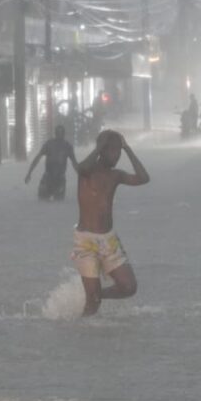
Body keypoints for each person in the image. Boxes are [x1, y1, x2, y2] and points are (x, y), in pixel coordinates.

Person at [73, 130, 150, 316]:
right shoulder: (87, 172)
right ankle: (83, 325)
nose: (117, 156)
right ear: (102, 150)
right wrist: (99, 146)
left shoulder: (115, 175)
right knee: (93, 305)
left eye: (119, 151)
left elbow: (143, 178)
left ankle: (96, 294)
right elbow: (80, 168)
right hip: (85, 241)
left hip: (109, 240)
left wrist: (127, 148)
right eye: (113, 151)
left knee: (128, 287)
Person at [25, 126, 79, 201]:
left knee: (58, 203)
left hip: (59, 178)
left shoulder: (67, 146)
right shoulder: (49, 144)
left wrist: (82, 177)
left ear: (64, 134)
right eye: (58, 133)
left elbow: (74, 163)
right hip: (48, 177)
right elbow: (37, 158)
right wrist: (29, 173)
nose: (59, 136)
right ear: (55, 134)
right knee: (43, 202)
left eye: (61, 133)